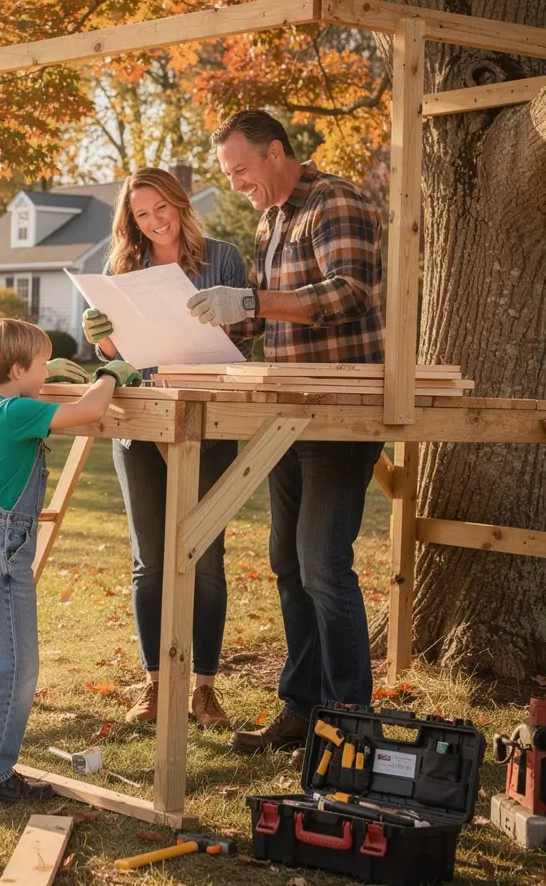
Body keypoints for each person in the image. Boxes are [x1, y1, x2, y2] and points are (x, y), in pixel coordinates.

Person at [188, 110, 385, 753]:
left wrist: (251, 302)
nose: (238, 182)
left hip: (338, 407)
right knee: (287, 562)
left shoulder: (336, 201)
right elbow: (261, 323)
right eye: (229, 174)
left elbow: (347, 292)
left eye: (241, 169)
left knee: (323, 563)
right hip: (286, 412)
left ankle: (349, 723)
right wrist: (201, 321)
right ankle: (302, 710)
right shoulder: (271, 221)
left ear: (276, 152)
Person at [0, 318, 141, 802]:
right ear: (20, 369)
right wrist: (108, 374)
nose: (47, 372)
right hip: (2, 555)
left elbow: (11, 388)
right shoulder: (17, 411)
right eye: (42, 365)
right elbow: (90, 412)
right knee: (13, 665)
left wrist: (48, 377)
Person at [81, 167, 253, 731]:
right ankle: (156, 685)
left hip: (209, 414)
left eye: (161, 208)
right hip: (140, 416)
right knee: (149, 561)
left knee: (206, 558)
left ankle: (204, 690)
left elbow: (247, 335)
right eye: (141, 214)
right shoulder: (122, 268)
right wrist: (99, 335)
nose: (154, 222)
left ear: (179, 203)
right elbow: (117, 354)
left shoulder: (222, 258)